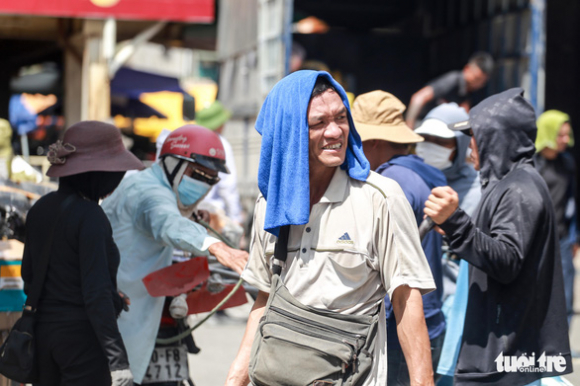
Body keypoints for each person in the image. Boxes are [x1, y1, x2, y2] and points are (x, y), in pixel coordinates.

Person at [225, 71, 436, 386]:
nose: (335, 131)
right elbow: (264, 299)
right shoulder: (269, 205)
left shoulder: (380, 197)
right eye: (318, 123)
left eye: (341, 118)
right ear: (289, 132)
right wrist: (235, 377)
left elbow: (406, 299)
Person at [424, 88, 572, 385]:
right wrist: (457, 228)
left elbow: (506, 260)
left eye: (475, 137)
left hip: (504, 361)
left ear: (497, 138)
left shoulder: (518, 189)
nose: (470, 148)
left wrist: (456, 225)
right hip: (502, 356)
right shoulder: (512, 184)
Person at [101, 125, 248, 385]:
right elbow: (168, 223)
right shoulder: (148, 191)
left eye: (210, 178)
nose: (203, 183)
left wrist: (193, 217)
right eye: (197, 174)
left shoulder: (161, 190)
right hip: (121, 314)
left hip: (150, 308)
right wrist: (217, 246)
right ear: (171, 164)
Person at [22, 121, 144, 386]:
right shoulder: (91, 216)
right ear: (97, 173)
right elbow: (95, 293)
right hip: (81, 343)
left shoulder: (39, 209)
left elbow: (30, 276)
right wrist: (118, 360)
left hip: (43, 339)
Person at [352, 90, 447, 385]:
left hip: (400, 328)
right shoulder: (421, 174)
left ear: (373, 141)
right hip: (428, 320)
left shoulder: (391, 184)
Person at [414, 103, 482, 385]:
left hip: (457, 307)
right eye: (426, 139)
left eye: (441, 141)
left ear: (461, 144)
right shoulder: (414, 181)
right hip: (419, 304)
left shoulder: (479, 192)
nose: (431, 147)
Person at [535, 110, 577, 328]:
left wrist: (574, 236)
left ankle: (564, 349)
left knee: (566, 292)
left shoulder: (567, 163)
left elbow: (571, 201)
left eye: (567, 135)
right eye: (560, 135)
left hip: (561, 238)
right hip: (536, 240)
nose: (565, 140)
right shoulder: (532, 165)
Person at [406, 52, 494, 128]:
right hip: (422, 125)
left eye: (482, 82)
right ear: (467, 69)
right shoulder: (453, 80)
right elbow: (418, 97)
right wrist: (409, 127)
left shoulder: (468, 92)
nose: (478, 84)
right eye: (476, 79)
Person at [196, 101, 244, 224]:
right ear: (219, 124)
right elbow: (228, 185)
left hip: (192, 211)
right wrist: (236, 216)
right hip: (214, 215)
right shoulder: (221, 144)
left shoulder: (194, 142)